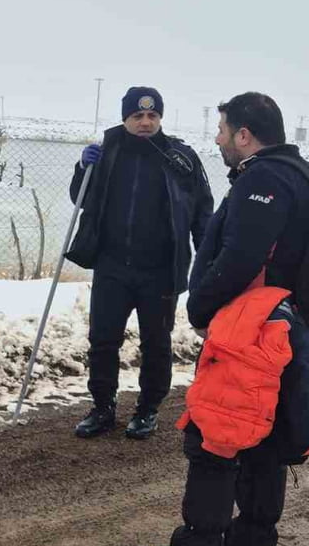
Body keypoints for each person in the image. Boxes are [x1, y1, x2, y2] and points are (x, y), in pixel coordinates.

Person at [130, 91, 309, 546]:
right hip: (289, 332)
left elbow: (240, 259)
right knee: (264, 443)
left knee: (216, 440)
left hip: (250, 336)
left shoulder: (264, 179)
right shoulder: (305, 176)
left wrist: (199, 306)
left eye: (222, 130)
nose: (216, 139)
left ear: (244, 134)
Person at [65, 86, 213, 440]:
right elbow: (80, 198)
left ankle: (147, 409)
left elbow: (202, 212)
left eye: (152, 116)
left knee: (156, 342)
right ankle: (102, 407)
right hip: (112, 265)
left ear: (160, 118)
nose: (145, 122)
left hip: (160, 270)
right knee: (103, 340)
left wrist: (207, 262)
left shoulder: (182, 158)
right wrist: (81, 168)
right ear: (125, 118)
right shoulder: (107, 151)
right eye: (137, 116)